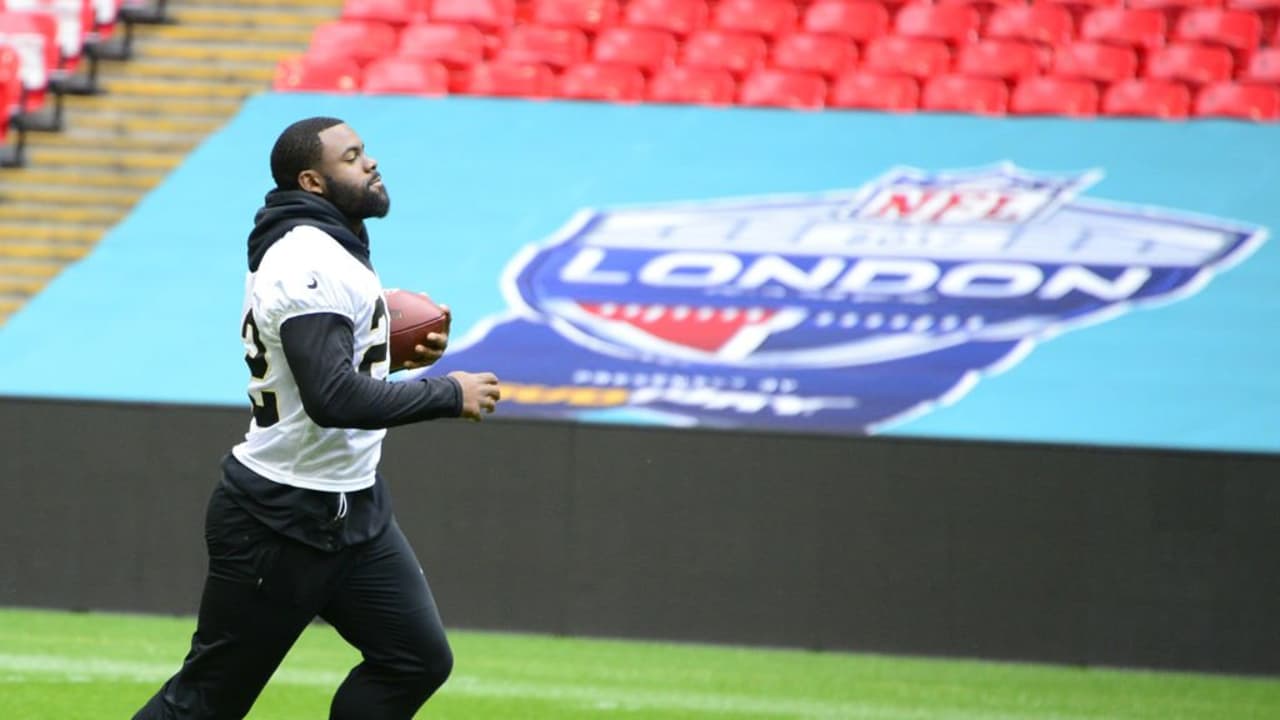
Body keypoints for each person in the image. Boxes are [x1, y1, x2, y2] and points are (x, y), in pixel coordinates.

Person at [133, 116, 502, 720]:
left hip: (353, 508)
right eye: (352, 157)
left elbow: (333, 370)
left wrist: (389, 352)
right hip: (279, 518)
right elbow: (333, 398)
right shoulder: (308, 258)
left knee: (413, 659)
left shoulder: (327, 247)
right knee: (206, 701)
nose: (371, 162)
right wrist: (445, 392)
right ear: (314, 181)